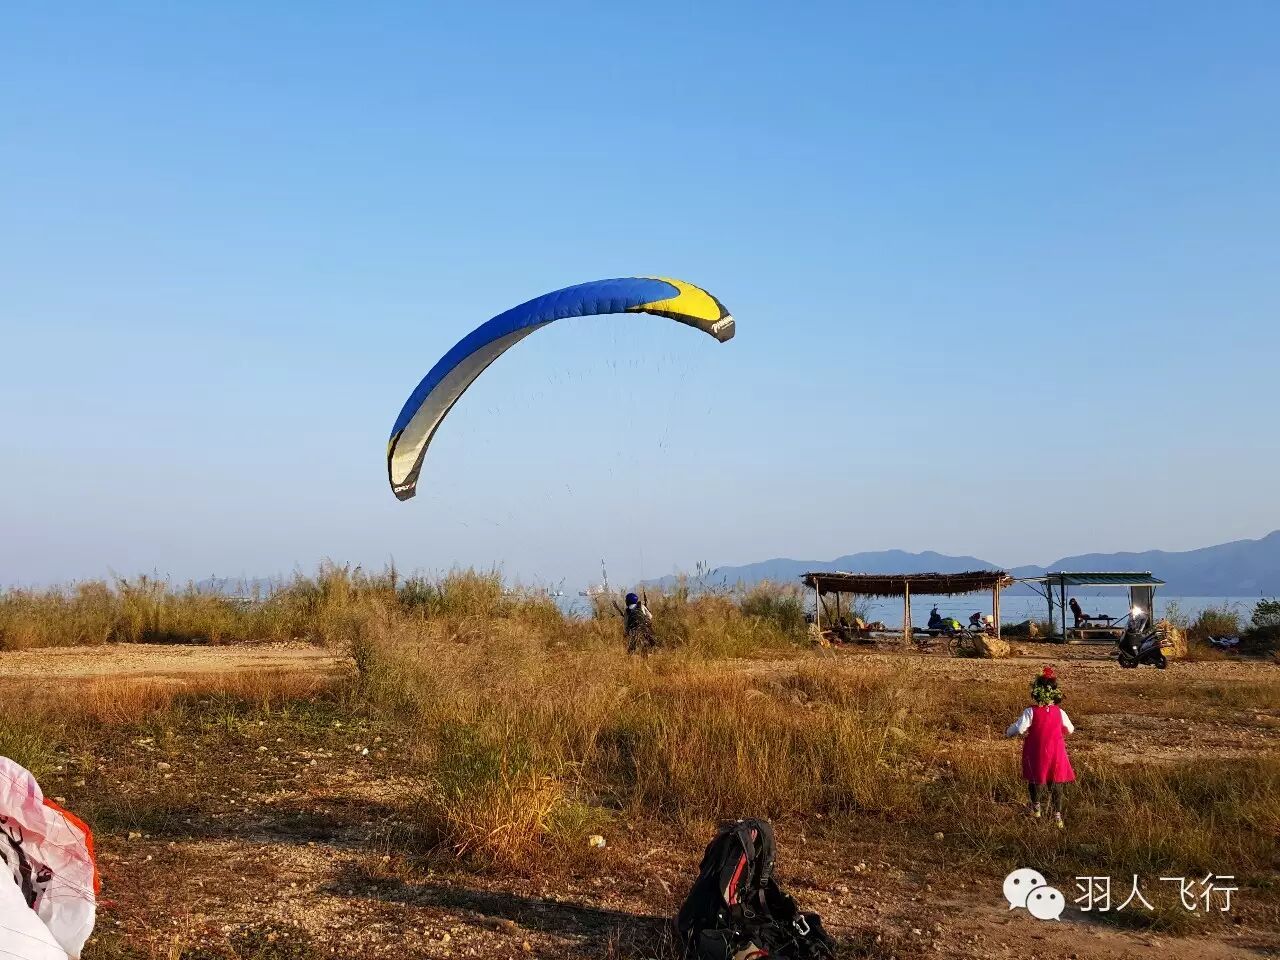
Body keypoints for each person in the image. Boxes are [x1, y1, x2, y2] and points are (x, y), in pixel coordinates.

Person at [1005, 667, 1075, 829]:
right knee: (1056, 782)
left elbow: (1019, 728)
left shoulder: (1031, 711)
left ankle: (1036, 808)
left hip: (1037, 751)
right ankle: (1058, 817)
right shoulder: (1060, 712)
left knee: (1036, 778)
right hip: (1056, 751)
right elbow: (1070, 729)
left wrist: (1008, 732)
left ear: (1036, 692)